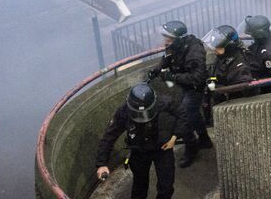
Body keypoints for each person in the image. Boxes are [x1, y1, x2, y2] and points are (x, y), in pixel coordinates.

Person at [95, 83, 187, 199]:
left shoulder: (165, 102)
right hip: (139, 150)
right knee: (139, 184)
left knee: (166, 185)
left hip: (163, 148)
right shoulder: (124, 111)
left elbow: (183, 114)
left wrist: (175, 137)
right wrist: (101, 163)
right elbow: (110, 135)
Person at [148, 20, 212, 168]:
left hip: (195, 87)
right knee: (193, 113)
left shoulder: (194, 51)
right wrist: (157, 69)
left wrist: (172, 77)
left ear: (178, 39)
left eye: (168, 39)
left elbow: (197, 77)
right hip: (184, 83)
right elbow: (167, 58)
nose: (166, 42)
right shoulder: (174, 46)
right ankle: (204, 139)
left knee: (185, 114)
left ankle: (191, 146)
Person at [203, 25, 256, 100]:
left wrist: (219, 88)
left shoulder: (240, 64)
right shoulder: (222, 58)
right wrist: (212, 79)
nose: (215, 50)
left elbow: (242, 89)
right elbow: (218, 76)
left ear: (229, 47)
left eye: (219, 48)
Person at [238, 15, 271, 93]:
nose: (251, 36)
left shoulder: (269, 54)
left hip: (266, 92)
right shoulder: (262, 41)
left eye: (252, 34)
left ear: (258, 35)